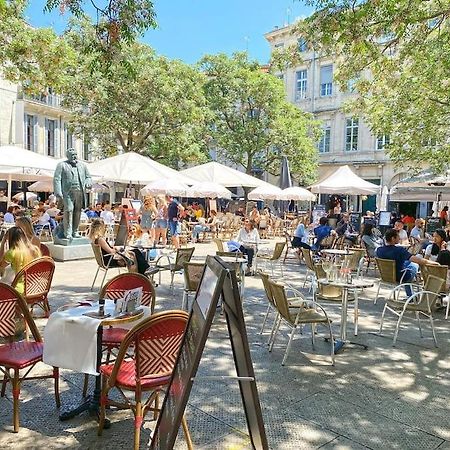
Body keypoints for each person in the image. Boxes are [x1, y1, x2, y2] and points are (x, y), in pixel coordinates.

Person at [376, 228, 438, 296]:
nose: (399, 238)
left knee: (407, 262)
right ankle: (413, 293)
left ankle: (411, 295)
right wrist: (432, 262)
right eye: (398, 236)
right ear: (393, 238)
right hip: (400, 276)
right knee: (415, 263)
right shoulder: (399, 250)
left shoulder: (379, 250)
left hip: (386, 275)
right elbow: (417, 260)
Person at [53, 147, 92, 239]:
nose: (74, 157)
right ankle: (68, 232)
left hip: (80, 191)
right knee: (69, 210)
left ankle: (75, 231)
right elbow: (57, 179)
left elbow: (88, 177)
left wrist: (88, 181)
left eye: (75, 155)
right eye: (72, 155)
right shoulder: (61, 165)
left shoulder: (83, 166)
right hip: (67, 192)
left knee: (78, 211)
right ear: (68, 156)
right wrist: (58, 191)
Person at [0, 227, 41, 292]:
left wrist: (3, 246)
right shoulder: (33, 250)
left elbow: (1, 267)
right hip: (32, 287)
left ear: (10, 239)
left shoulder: (12, 252)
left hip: (15, 290)